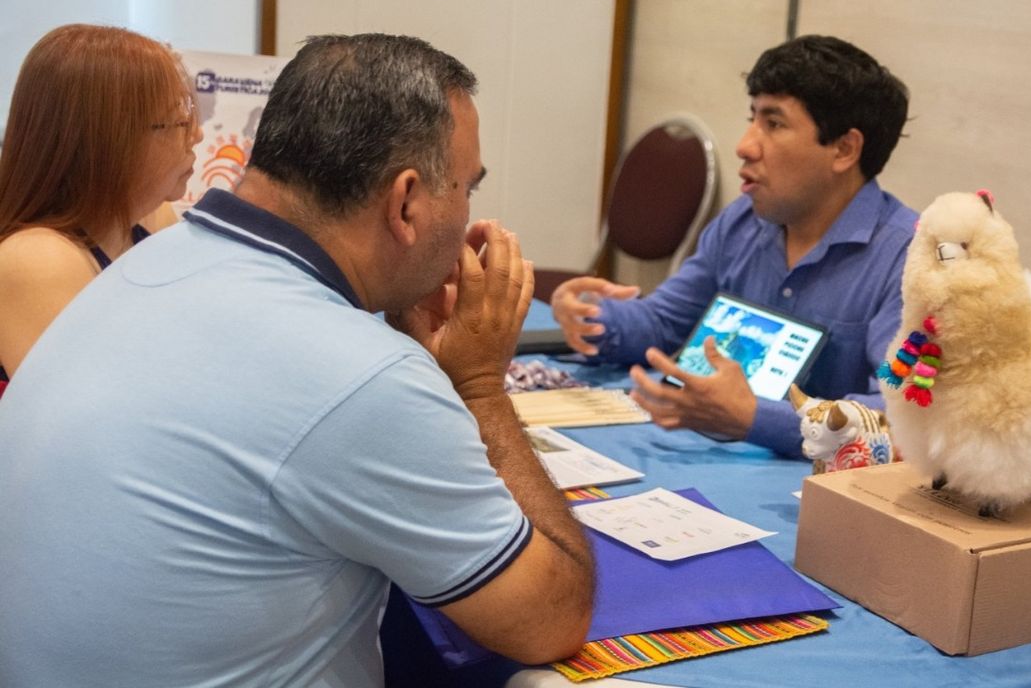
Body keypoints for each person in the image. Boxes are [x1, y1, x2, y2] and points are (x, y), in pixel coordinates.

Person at [0, 33, 593, 686]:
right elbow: (547, 621)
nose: (469, 219)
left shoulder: (146, 264)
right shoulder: (366, 378)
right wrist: (478, 387)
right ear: (406, 202)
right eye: (465, 189)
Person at [551, 35, 917, 458]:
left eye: (773, 124)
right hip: (707, 456)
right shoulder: (745, 219)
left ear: (844, 149)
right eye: (752, 118)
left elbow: (900, 423)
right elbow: (663, 323)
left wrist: (754, 418)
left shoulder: (910, 261)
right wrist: (588, 316)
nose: (745, 145)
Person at [0, 24, 198, 398]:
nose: (197, 137)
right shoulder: (36, 259)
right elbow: (98, 413)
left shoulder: (151, 218)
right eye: (178, 122)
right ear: (107, 139)